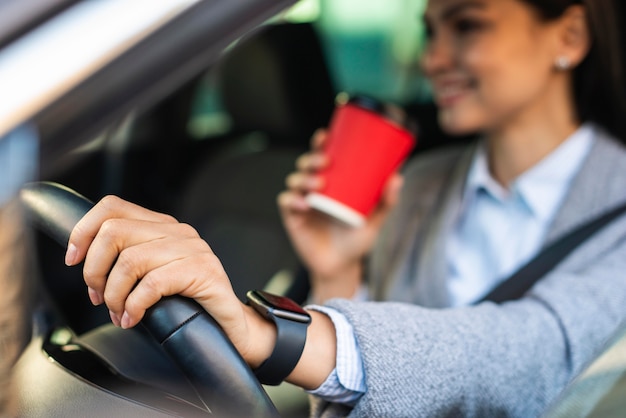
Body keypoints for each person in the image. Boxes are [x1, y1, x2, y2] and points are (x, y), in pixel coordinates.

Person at [65, 0, 626, 416]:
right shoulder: (418, 183)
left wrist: (267, 333)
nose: (432, 59)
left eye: (467, 25)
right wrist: (335, 266)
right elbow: (342, 401)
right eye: (429, 31)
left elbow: (529, 349)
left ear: (570, 36)